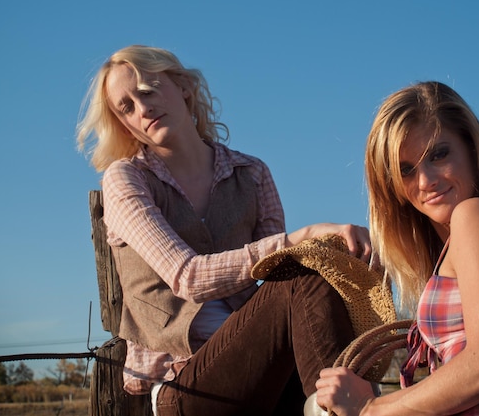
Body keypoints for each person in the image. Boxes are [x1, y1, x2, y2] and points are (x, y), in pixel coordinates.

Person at [76, 44, 372, 416]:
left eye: (148, 91)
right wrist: (302, 238)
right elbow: (187, 276)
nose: (142, 108)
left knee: (308, 273)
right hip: (184, 384)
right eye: (126, 107)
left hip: (260, 366)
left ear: (183, 86)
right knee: (301, 273)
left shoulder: (252, 174)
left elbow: (278, 280)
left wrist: (339, 254)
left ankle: (339, 405)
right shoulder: (126, 179)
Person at [314, 81, 479, 415]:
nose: (425, 181)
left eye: (438, 154)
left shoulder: (474, 216)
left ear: (472, 148)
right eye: (406, 170)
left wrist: (369, 408)